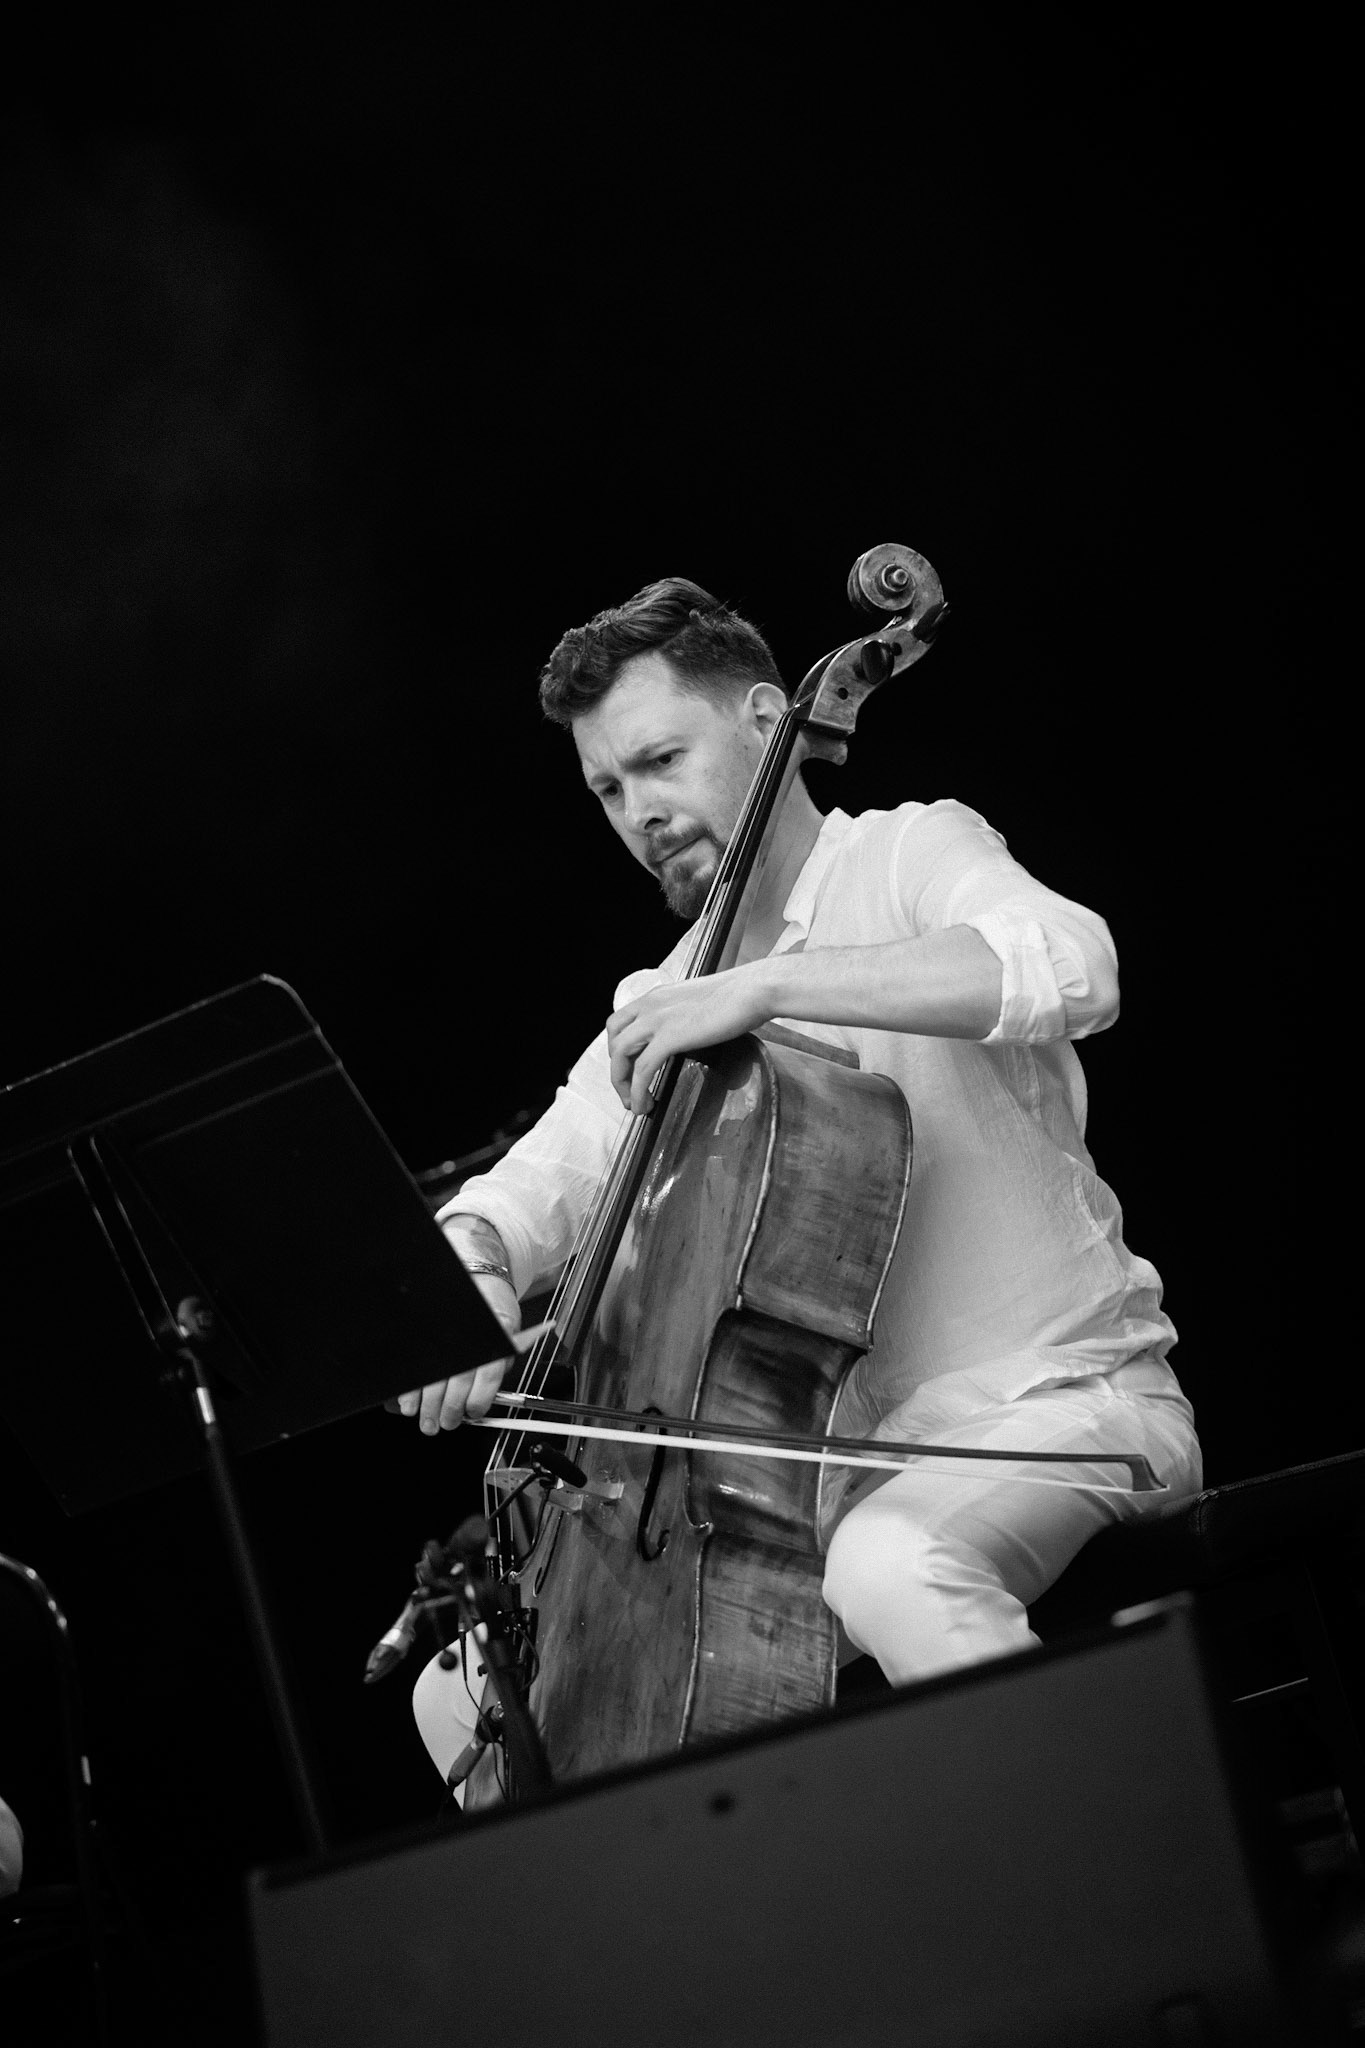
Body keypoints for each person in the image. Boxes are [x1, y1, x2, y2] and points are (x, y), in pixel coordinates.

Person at [400, 577, 1200, 1778]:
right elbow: (525, 1190)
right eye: (611, 790)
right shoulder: (662, 996)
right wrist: (463, 1272)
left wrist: (769, 986)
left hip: (1053, 1409)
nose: (641, 812)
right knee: (462, 1702)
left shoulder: (908, 851)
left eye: (662, 759)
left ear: (772, 719)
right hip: (804, 1504)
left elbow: (1073, 964)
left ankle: (1125, 1882)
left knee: (894, 1564)